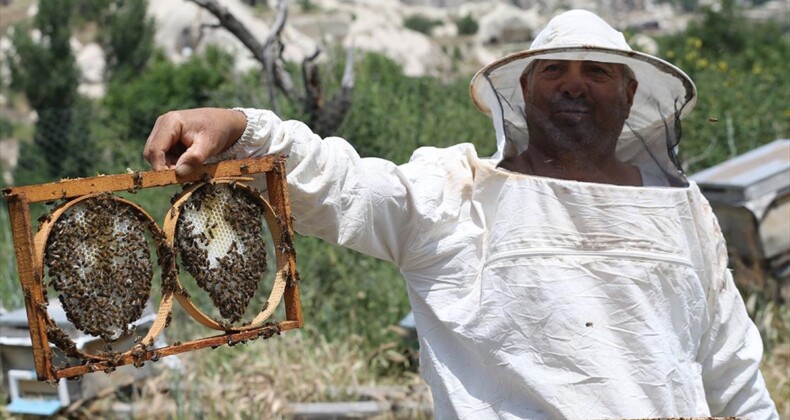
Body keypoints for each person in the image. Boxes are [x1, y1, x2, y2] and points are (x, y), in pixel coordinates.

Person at [144, 9, 779, 419]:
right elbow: (347, 186)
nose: (574, 84)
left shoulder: (683, 209)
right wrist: (242, 128)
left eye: (598, 71)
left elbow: (731, 364)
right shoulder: (456, 192)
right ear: (523, 90)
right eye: (553, 69)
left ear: (631, 91)